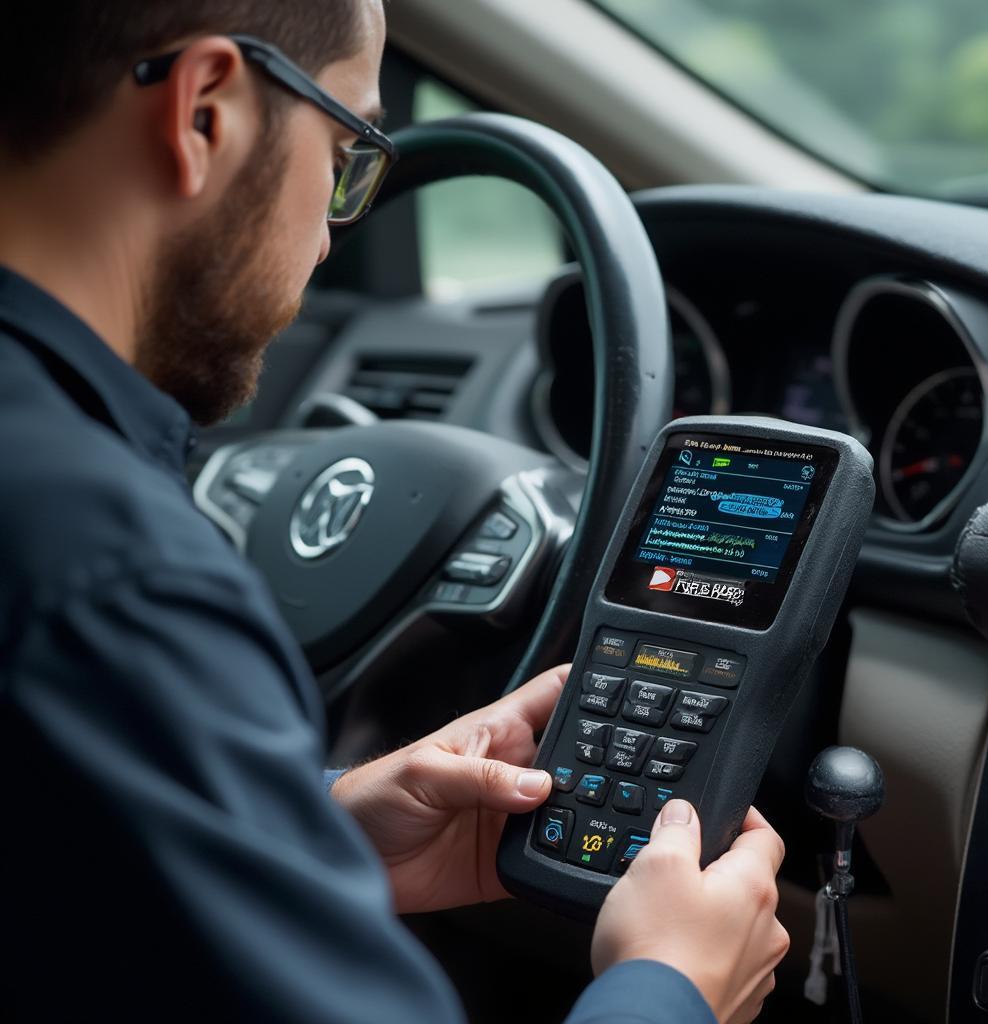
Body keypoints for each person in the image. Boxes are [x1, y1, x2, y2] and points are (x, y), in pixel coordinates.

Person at [0, 2, 790, 1022]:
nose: (335, 231)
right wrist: (672, 983)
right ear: (204, 111)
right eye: (345, 151)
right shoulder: (112, 581)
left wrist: (296, 828)